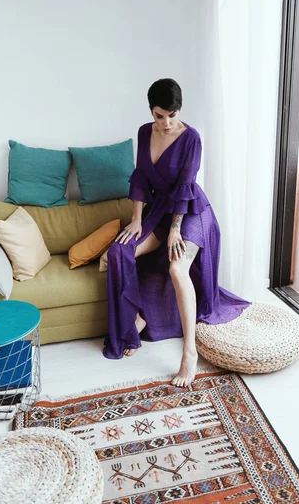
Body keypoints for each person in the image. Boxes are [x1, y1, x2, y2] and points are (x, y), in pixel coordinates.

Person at [104, 78, 250, 386]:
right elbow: (142, 178)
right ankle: (134, 322)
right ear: (151, 112)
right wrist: (136, 219)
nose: (167, 122)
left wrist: (175, 229)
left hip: (191, 213)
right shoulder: (145, 132)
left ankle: (189, 353)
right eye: (160, 115)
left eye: (173, 114)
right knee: (120, 251)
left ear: (179, 110)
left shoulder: (191, 138)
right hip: (158, 211)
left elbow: (185, 186)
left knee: (176, 267)